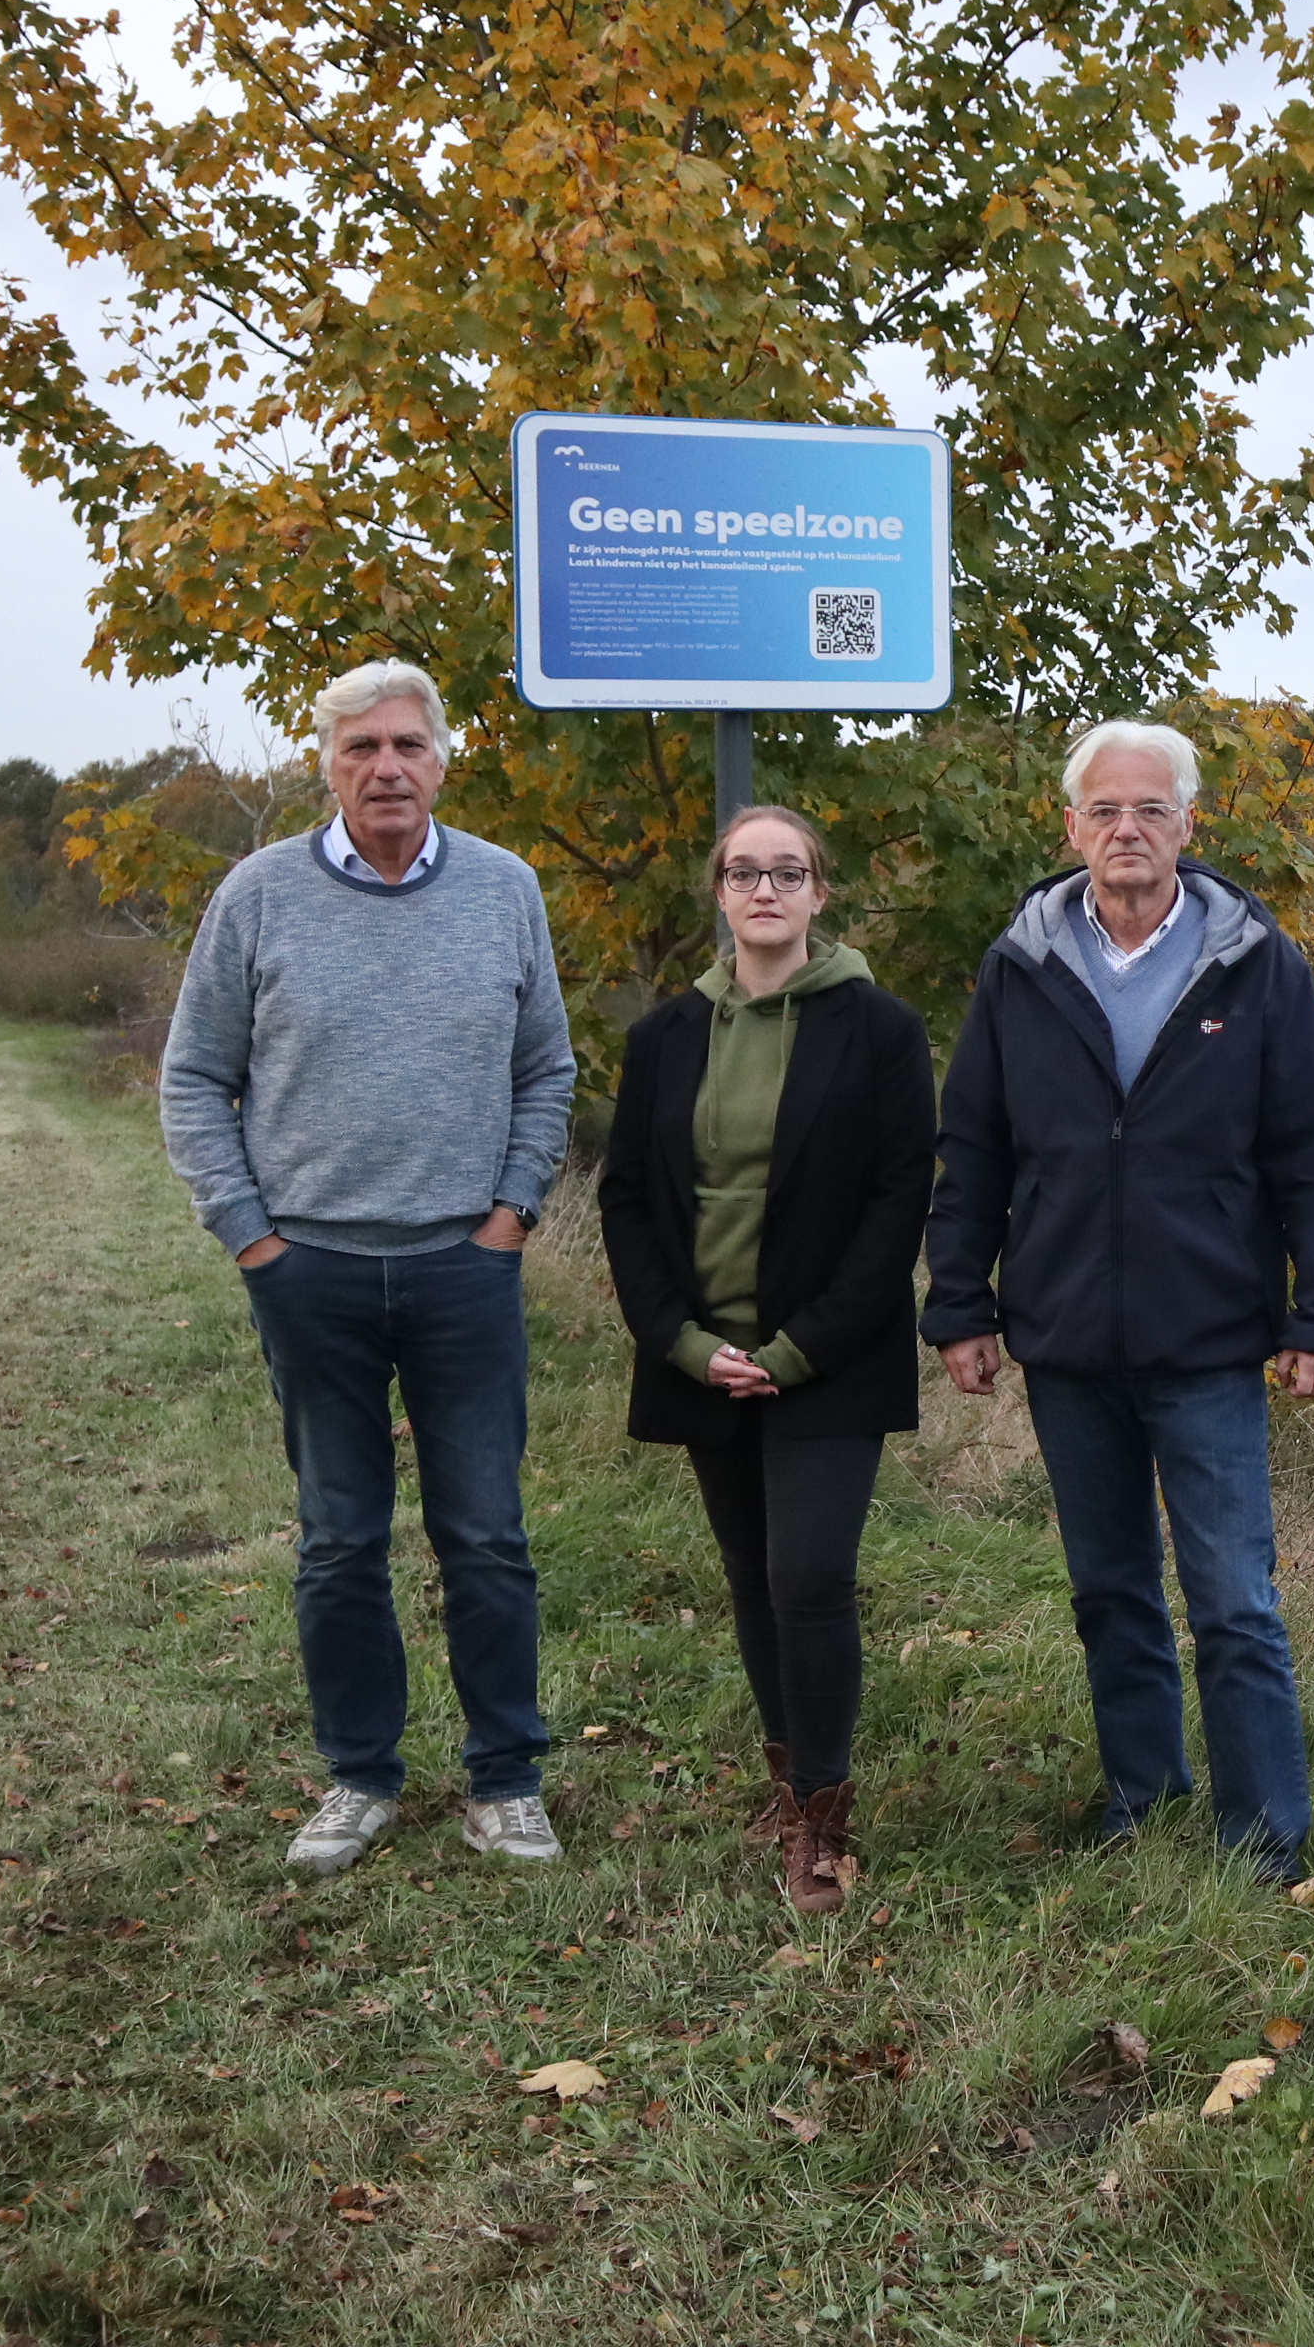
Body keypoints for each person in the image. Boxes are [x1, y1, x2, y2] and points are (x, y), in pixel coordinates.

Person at [923, 718, 1314, 1878]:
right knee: (1110, 1592)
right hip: (1064, 1336)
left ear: (1186, 825)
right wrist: (961, 1303)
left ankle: (1266, 1838)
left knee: (1234, 1604)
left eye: (1150, 810)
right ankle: (1142, 1799)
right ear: (1070, 828)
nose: (1127, 831)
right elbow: (974, 1148)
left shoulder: (1256, 963)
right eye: (1105, 811)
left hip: (1209, 1339)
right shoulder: (1021, 962)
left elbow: (1310, 1156)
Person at [160, 660, 577, 1880]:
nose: (385, 768)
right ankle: (359, 1778)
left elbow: (544, 1068)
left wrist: (512, 1211)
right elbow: (194, 1078)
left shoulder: (505, 889)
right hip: (311, 1269)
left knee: (487, 1535)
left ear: (443, 759)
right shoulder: (258, 896)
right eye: (361, 749)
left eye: (407, 745)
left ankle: (506, 1780)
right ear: (327, 764)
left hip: (463, 1265)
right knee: (340, 1539)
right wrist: (251, 1235)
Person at [596, 805, 935, 1913]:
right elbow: (630, 1202)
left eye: (788, 872)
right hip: (707, 1357)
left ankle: (823, 1824)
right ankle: (788, 1780)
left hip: (827, 1357)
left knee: (809, 1575)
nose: (765, 890)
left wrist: (794, 1352)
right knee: (751, 1577)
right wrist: (690, 1346)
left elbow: (897, 1206)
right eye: (744, 871)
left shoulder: (879, 1030)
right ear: (720, 892)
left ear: (820, 894)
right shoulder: (662, 1037)